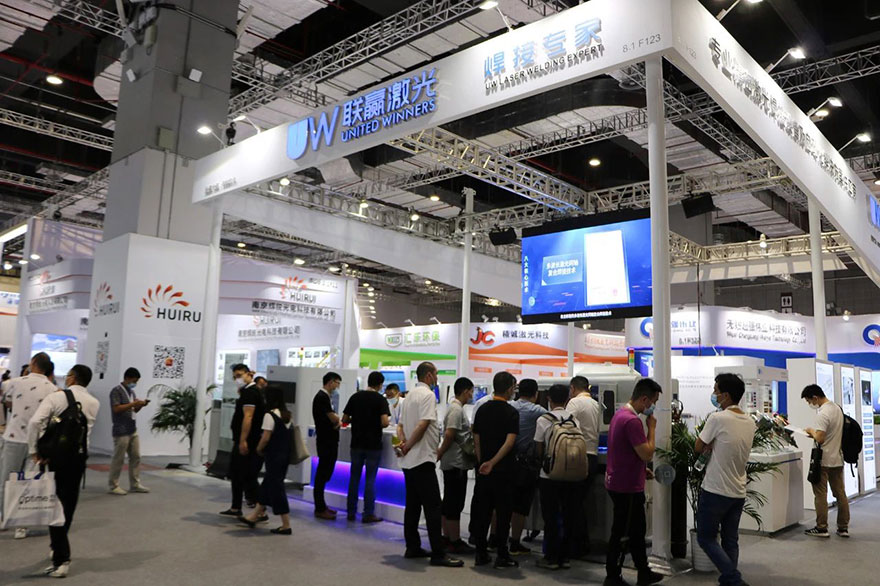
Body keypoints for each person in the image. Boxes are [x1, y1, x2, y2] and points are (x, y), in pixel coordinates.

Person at [28, 364, 100, 578]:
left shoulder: (56, 397)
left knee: (54, 505)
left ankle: (61, 559)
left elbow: (35, 422)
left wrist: (34, 450)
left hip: (56, 458)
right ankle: (57, 546)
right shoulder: (94, 402)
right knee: (68, 504)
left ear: (72, 378)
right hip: (78, 458)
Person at [398, 361, 463, 567]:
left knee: (413, 506)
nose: (437, 378)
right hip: (422, 458)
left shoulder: (409, 396)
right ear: (428, 376)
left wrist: (403, 443)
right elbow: (423, 424)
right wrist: (408, 445)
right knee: (433, 507)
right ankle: (438, 553)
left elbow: (400, 425)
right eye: (435, 374)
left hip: (410, 461)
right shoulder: (427, 395)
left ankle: (413, 546)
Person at [695, 373, 756, 586]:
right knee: (730, 540)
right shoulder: (749, 421)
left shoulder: (718, 418)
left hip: (715, 489)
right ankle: (729, 581)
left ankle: (733, 579)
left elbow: (698, 446)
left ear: (726, 395)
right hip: (738, 490)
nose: (714, 395)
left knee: (705, 538)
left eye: (716, 391)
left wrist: (710, 444)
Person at [604, 378, 664, 586]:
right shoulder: (632, 421)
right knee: (622, 532)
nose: (653, 406)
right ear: (644, 399)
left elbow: (625, 451)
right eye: (654, 401)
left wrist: (640, 469)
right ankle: (613, 576)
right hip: (626, 486)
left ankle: (643, 571)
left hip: (622, 480)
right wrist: (652, 428)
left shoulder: (619, 415)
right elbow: (647, 453)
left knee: (636, 531)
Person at [0, 352, 57, 539]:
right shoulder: (52, 389)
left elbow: (5, 397)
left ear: (32, 363)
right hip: (37, 443)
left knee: (6, 481)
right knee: (28, 483)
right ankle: (21, 526)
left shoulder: (15, 382)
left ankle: (3, 518)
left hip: (13, 438)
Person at [472, 371, 520, 569]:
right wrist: (493, 462)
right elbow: (509, 443)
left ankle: (481, 553)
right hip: (504, 470)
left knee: (483, 513)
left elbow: (476, 439)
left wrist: (483, 462)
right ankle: (502, 555)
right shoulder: (511, 413)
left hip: (483, 470)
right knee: (503, 514)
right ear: (509, 389)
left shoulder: (482, 409)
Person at [534, 383, 583, 570]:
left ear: (548, 399)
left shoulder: (543, 420)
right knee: (569, 515)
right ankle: (565, 557)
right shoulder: (574, 420)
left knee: (551, 516)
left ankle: (551, 557)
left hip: (549, 476)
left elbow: (538, 448)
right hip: (571, 475)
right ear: (568, 399)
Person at [239, 385, 293, 535]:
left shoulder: (269, 415)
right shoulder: (287, 415)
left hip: (273, 456)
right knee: (267, 485)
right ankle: (254, 515)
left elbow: (266, 438)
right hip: (284, 456)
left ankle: (286, 524)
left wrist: (258, 449)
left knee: (276, 488)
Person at [802, 383, 849, 538]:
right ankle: (843, 527)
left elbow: (820, 438)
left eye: (809, 401)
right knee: (840, 494)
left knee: (820, 494)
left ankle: (821, 527)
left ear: (815, 397)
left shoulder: (823, 414)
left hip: (822, 460)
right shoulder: (837, 409)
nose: (810, 404)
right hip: (837, 458)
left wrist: (810, 431)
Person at [342, 371, 391, 523]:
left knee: (354, 478)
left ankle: (351, 512)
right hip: (373, 445)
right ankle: (368, 513)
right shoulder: (380, 400)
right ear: (380, 385)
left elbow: (345, 419)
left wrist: (358, 420)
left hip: (356, 443)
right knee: (370, 479)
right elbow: (385, 422)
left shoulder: (355, 397)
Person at [220, 364, 265, 518]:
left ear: (248, 374)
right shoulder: (248, 391)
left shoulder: (251, 393)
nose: (237, 379)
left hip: (249, 440)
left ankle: (260, 510)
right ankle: (236, 507)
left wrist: (243, 440)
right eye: (235, 377)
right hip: (245, 439)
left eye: (239, 375)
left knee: (247, 475)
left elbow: (248, 417)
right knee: (237, 473)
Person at [437, 377, 476, 554]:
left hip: (454, 462)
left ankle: (447, 537)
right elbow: (449, 434)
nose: (472, 395)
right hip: (455, 463)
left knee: (450, 502)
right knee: (454, 502)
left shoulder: (455, 408)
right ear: (465, 391)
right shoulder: (456, 410)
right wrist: (440, 453)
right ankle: (454, 540)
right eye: (471, 391)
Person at [509, 378, 547, 555]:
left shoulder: (509, 407)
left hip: (507, 461)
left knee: (504, 503)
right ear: (536, 394)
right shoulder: (538, 411)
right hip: (526, 465)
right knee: (520, 507)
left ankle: (497, 538)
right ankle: (515, 542)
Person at [567, 375, 600, 557]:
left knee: (573, 502)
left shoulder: (574, 403)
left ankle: (576, 545)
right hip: (592, 456)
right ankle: (583, 542)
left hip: (578, 456)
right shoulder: (595, 404)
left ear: (573, 388)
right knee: (580, 501)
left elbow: (566, 427)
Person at [108, 367, 150, 495]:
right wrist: (132, 404)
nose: (135, 383)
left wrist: (140, 405)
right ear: (127, 378)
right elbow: (116, 409)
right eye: (134, 381)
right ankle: (113, 485)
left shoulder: (131, 392)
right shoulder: (116, 391)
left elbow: (133, 410)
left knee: (136, 457)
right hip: (121, 430)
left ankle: (135, 484)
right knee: (119, 458)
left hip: (132, 429)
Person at [313, 371, 342, 520]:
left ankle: (322, 505)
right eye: (337, 383)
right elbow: (333, 418)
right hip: (326, 440)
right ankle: (319, 507)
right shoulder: (322, 397)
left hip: (327, 439)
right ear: (331, 382)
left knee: (324, 473)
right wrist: (337, 421)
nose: (338, 387)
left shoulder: (325, 397)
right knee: (322, 473)